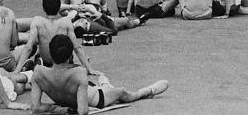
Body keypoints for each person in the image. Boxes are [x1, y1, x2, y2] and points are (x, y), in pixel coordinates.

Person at [29, 34, 169, 114]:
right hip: (96, 98)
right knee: (122, 92)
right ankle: (146, 91)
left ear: (50, 53)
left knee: (101, 85)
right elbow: (83, 111)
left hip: (83, 93)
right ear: (70, 55)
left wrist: (57, 109)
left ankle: (105, 82)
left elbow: (35, 107)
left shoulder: (39, 72)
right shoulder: (78, 72)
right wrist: (65, 110)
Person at [15, 0, 94, 73]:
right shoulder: (66, 22)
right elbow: (77, 48)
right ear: (59, 7)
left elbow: (28, 47)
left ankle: (34, 65)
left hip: (46, 61)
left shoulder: (37, 21)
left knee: (39, 53)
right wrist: (89, 69)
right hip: (63, 62)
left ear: (43, 9)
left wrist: (17, 70)